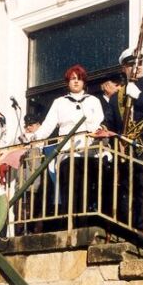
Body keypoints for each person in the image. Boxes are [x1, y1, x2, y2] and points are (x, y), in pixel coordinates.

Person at [35, 65, 105, 218]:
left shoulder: (93, 101)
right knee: (70, 190)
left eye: (79, 79)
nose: (76, 82)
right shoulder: (59, 102)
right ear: (68, 82)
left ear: (84, 82)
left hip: (89, 152)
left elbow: (99, 122)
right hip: (68, 152)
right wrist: (34, 138)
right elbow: (47, 125)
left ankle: (85, 222)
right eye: (73, 79)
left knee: (86, 190)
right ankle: (70, 223)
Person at [105, 48, 143, 233]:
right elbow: (110, 127)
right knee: (128, 193)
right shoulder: (115, 99)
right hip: (125, 153)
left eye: (139, 63)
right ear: (124, 68)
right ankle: (130, 234)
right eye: (131, 65)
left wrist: (140, 96)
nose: (136, 67)